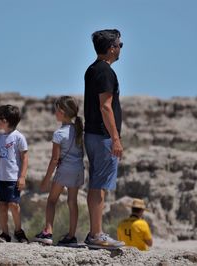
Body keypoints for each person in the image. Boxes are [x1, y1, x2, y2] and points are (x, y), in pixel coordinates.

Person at [83, 29, 125, 249]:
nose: (120, 49)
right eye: (120, 45)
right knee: (99, 186)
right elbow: (105, 106)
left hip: (92, 133)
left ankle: (94, 232)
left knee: (95, 184)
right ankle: (97, 234)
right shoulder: (106, 72)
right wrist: (115, 138)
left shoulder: (91, 70)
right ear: (111, 48)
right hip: (103, 136)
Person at [33, 96, 84, 246]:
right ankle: (71, 236)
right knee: (72, 202)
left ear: (61, 112)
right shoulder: (79, 130)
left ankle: (48, 232)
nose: (55, 113)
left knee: (51, 201)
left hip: (64, 171)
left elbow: (54, 159)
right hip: (78, 170)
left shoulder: (59, 133)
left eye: (56, 110)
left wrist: (46, 179)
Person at [0, 104, 29, 243]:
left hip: (14, 178)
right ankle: (5, 234)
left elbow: (25, 158)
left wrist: (22, 176)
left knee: (14, 205)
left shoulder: (19, 137)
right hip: (1, 179)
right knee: (2, 206)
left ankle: (19, 231)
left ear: (5, 120)